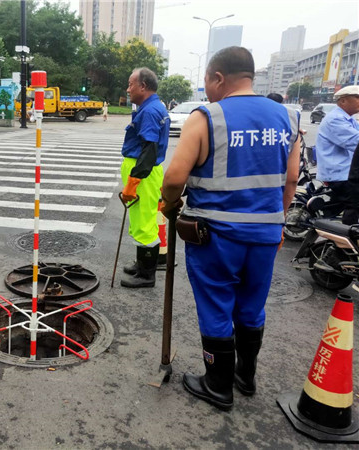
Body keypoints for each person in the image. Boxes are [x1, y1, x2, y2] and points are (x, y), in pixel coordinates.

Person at [161, 47, 300, 410]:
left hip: (217, 237)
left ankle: (218, 385)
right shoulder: (288, 118)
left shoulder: (207, 116)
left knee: (216, 305)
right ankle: (245, 375)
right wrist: (277, 220)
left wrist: (171, 203)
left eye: (207, 81)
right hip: (267, 234)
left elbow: (175, 177)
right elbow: (291, 179)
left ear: (218, 78)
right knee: (252, 307)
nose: (206, 89)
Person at [119, 67, 170, 288]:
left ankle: (147, 275)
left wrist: (132, 183)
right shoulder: (152, 107)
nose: (128, 89)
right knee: (142, 220)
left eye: (131, 84)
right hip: (145, 172)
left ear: (143, 86)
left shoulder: (149, 111)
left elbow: (148, 152)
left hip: (144, 174)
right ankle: (142, 264)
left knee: (145, 225)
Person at [315, 85, 359, 224]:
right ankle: (344, 238)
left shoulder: (349, 119)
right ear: (343, 100)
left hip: (345, 171)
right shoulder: (336, 119)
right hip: (340, 173)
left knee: (338, 206)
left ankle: (327, 223)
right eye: (357, 98)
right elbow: (355, 141)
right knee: (354, 204)